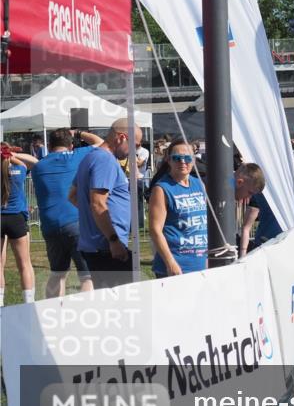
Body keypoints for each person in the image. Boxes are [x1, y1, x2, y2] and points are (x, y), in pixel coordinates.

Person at [69, 119, 143, 289]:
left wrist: (95, 218)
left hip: (98, 246)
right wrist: (113, 240)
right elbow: (98, 204)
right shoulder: (105, 160)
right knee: (123, 307)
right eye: (136, 145)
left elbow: (73, 196)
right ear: (122, 137)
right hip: (107, 248)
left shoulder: (90, 158)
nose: (135, 151)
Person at [32, 128, 103, 298]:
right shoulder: (76, 157)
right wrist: (78, 133)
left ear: (49, 145)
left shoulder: (38, 167)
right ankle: (88, 313)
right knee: (86, 276)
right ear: (71, 146)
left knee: (57, 273)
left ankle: (52, 312)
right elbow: (100, 142)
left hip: (50, 226)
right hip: (75, 222)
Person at [149, 139, 208, 277]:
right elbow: (155, 230)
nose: (183, 162)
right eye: (177, 158)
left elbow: (204, 222)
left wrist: (207, 257)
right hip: (174, 267)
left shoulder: (199, 184)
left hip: (200, 264)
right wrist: (171, 263)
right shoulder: (162, 189)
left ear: (193, 160)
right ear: (169, 160)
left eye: (187, 158)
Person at [1, 143, 38, 303]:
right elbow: (34, 161)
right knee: (24, 264)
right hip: (16, 218)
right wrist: (13, 156)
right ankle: (29, 303)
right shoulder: (20, 169)